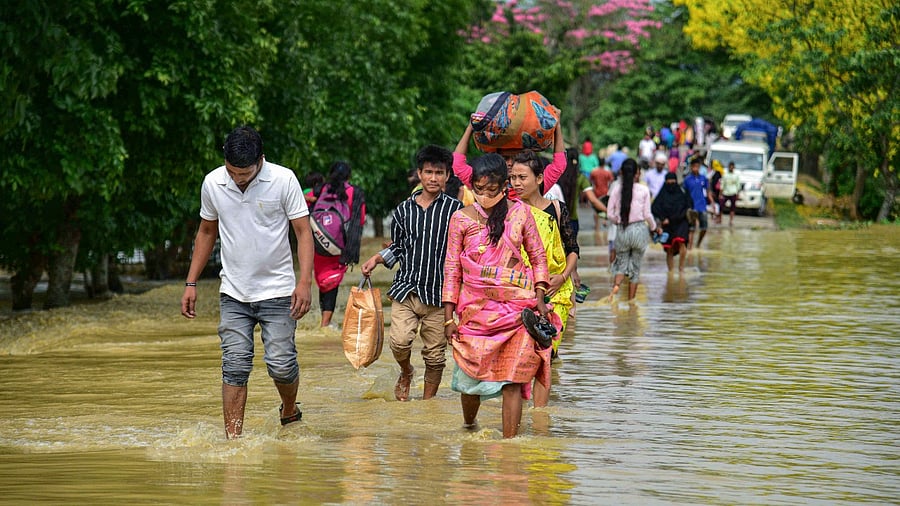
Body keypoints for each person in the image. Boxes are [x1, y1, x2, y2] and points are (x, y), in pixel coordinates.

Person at [180, 126, 314, 439]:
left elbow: (303, 232)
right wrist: (191, 282)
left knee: (281, 364)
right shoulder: (213, 182)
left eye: (245, 172)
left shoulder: (283, 180)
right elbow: (206, 232)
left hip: (278, 291)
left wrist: (304, 282)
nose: (238, 178)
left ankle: (289, 409)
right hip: (233, 292)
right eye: (232, 172)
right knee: (235, 366)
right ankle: (233, 441)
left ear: (261, 161)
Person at [443, 153, 553, 438]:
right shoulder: (460, 220)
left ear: (505, 186)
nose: (485, 195)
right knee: (470, 379)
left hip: (517, 312)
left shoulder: (521, 213)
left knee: (513, 380)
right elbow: (452, 269)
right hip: (474, 313)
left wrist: (540, 298)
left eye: (492, 189)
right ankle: (469, 426)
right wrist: (448, 317)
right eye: (479, 190)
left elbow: (538, 257)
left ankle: (510, 447)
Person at [360, 145, 463, 402]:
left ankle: (427, 407)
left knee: (436, 356)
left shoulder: (457, 211)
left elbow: (465, 251)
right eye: (428, 172)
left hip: (440, 295)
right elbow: (399, 246)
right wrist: (377, 258)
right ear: (419, 173)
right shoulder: (403, 210)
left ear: (447, 176)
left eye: (439, 173)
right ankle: (406, 371)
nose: (433, 178)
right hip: (407, 288)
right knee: (399, 342)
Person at [509, 151, 579, 401]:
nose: (516, 183)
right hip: (521, 293)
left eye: (522, 177)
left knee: (546, 352)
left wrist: (564, 276)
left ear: (539, 178)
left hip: (555, 293)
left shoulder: (556, 209)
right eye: (513, 177)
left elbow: (572, 250)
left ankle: (540, 417)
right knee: (522, 354)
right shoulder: (508, 213)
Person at [313, 161, 366, 328]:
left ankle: (323, 318)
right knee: (332, 282)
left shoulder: (320, 189)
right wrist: (351, 253)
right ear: (349, 176)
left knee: (323, 281)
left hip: (318, 242)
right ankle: (325, 323)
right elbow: (359, 221)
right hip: (338, 245)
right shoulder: (354, 192)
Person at [606, 159, 659, 302]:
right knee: (635, 269)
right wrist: (654, 228)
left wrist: (619, 220)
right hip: (639, 230)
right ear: (637, 173)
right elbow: (647, 214)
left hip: (622, 230)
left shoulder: (616, 189)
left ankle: (615, 291)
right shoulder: (644, 190)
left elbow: (609, 213)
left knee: (621, 265)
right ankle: (631, 303)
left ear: (621, 172)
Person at [651, 172, 691, 272]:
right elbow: (654, 207)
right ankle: (671, 272)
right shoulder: (662, 193)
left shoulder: (682, 192)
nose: (671, 183)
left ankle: (681, 269)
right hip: (667, 224)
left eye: (673, 180)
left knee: (681, 242)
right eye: (669, 181)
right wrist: (663, 218)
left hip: (681, 221)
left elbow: (688, 206)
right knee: (669, 248)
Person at [683, 157, 713, 249]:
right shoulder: (687, 179)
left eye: (697, 166)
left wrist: (712, 203)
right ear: (691, 167)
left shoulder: (703, 179)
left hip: (702, 206)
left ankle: (698, 244)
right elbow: (684, 193)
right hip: (691, 206)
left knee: (704, 228)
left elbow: (708, 192)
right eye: (694, 166)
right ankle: (690, 248)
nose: (696, 168)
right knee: (691, 229)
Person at [720, 161, 741, 226]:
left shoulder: (736, 176)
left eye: (732, 167)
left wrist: (737, 193)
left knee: (732, 208)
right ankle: (720, 219)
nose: (731, 168)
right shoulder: (725, 175)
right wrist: (720, 193)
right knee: (721, 206)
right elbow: (722, 184)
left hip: (733, 192)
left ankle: (731, 221)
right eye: (730, 167)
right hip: (726, 192)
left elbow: (738, 185)